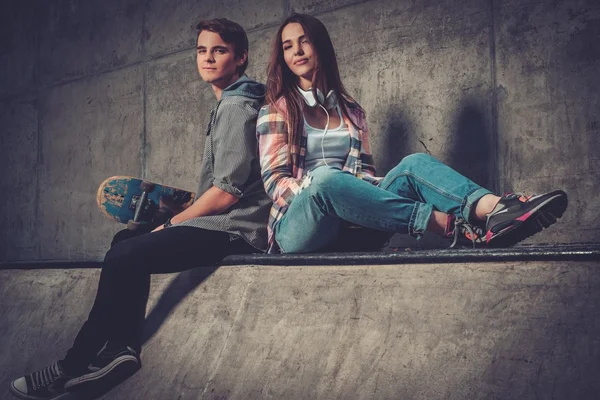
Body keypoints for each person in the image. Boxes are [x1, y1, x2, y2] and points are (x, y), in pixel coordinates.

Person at [10, 18, 271, 399]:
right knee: (123, 240)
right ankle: (121, 348)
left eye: (219, 50)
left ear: (240, 57)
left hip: (236, 229)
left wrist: (172, 224)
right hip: (224, 221)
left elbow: (228, 193)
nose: (208, 58)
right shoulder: (232, 101)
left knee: (124, 256)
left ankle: (71, 365)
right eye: (202, 50)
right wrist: (174, 210)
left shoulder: (236, 105)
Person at [256, 13, 568, 254]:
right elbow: (275, 182)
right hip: (300, 228)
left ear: (320, 45)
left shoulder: (351, 110)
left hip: (353, 229)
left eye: (304, 41)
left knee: (413, 164)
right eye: (288, 46)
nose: (297, 51)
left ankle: (497, 210)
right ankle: (448, 225)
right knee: (325, 179)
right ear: (283, 56)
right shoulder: (278, 109)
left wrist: (356, 196)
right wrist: (330, 187)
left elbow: (365, 175)